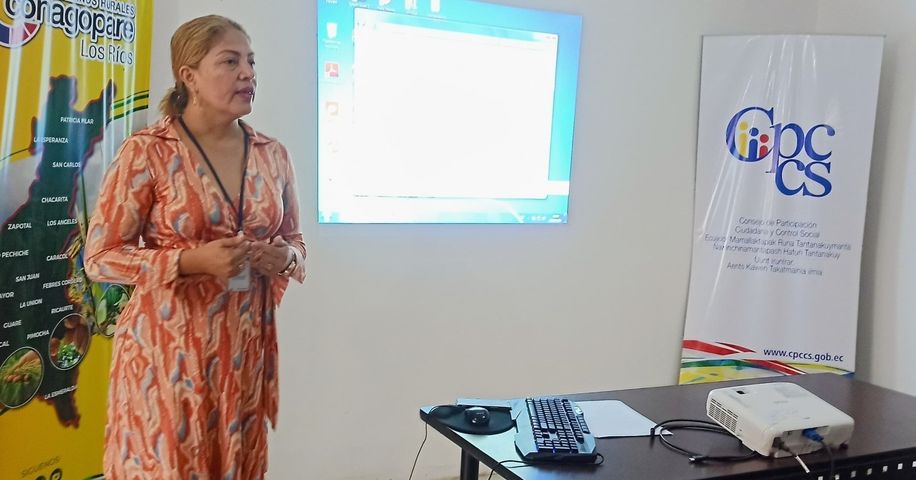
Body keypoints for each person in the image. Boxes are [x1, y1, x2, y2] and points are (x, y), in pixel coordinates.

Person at [85, 15, 305, 480]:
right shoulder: (148, 151)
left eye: (251, 61)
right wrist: (188, 261)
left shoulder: (273, 154)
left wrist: (285, 258)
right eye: (230, 61)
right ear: (189, 76)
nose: (248, 73)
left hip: (244, 357)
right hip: (167, 357)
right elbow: (100, 258)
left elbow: (295, 242)